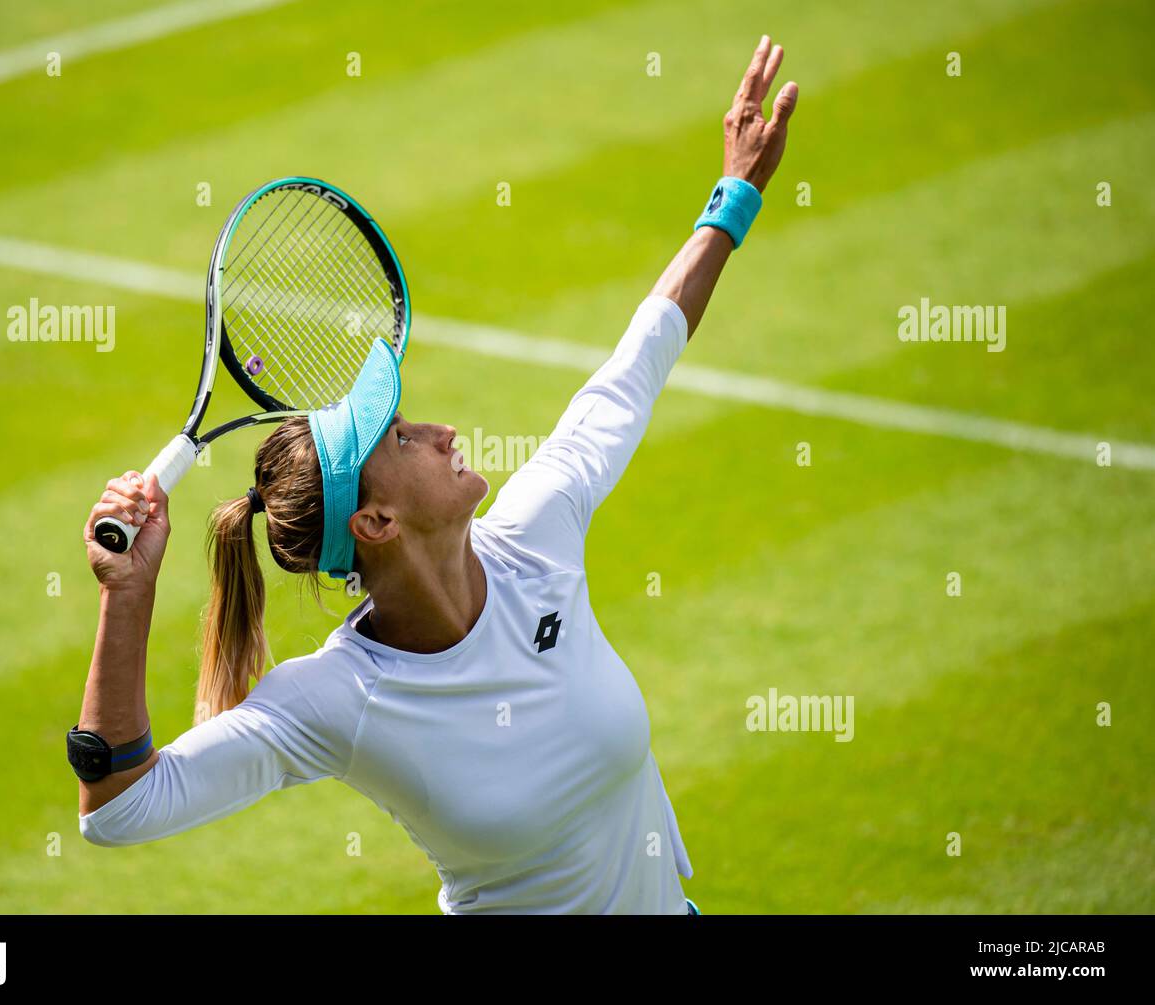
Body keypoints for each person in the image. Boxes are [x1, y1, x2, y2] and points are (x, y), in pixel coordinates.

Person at [72, 36, 797, 914]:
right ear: (375, 522)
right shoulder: (338, 697)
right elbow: (118, 810)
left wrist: (733, 200)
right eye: (405, 437)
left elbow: (629, 372)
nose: (443, 429)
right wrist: (128, 596)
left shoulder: (537, 534)